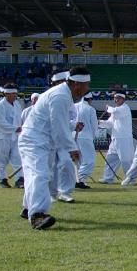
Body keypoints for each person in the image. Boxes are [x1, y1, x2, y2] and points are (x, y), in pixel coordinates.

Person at [18, 67, 91, 229]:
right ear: (77, 84)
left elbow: (60, 124)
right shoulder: (60, 96)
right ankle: (37, 215)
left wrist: (70, 141)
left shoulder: (64, 95)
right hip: (34, 140)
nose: (88, 89)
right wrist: (71, 147)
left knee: (42, 175)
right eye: (86, 85)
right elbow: (59, 126)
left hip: (44, 141)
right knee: (39, 174)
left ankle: (28, 208)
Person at [48, 71, 78, 203]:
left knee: (66, 163)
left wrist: (74, 125)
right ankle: (52, 193)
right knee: (50, 167)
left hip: (64, 137)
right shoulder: (51, 96)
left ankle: (65, 192)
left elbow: (68, 119)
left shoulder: (68, 99)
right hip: (48, 137)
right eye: (56, 83)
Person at [0, 82, 24, 188]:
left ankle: (19, 179)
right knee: (1, 159)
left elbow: (20, 119)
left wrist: (20, 128)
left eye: (16, 94)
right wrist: (15, 128)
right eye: (13, 94)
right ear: (7, 94)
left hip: (15, 136)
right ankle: (2, 179)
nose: (15, 96)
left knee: (17, 158)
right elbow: (0, 122)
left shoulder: (17, 105)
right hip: (2, 137)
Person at [99, 93, 134, 183]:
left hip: (124, 138)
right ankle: (108, 178)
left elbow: (113, 111)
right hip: (115, 138)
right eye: (115, 98)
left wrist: (108, 108)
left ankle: (131, 179)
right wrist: (99, 122)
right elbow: (110, 123)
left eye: (118, 98)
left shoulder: (124, 108)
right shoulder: (115, 110)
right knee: (110, 158)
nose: (116, 100)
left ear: (123, 99)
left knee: (126, 160)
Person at [74, 94, 98, 189]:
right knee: (89, 160)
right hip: (86, 136)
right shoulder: (90, 109)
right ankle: (80, 179)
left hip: (74, 136)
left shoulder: (74, 106)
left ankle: (77, 179)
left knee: (77, 160)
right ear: (90, 99)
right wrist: (92, 137)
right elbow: (94, 125)